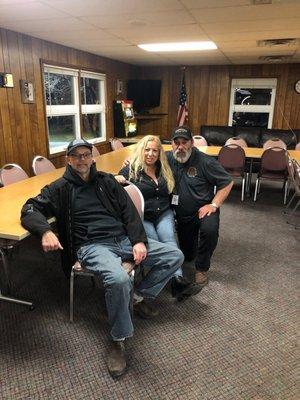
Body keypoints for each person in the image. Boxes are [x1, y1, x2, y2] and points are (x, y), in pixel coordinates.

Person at [20, 138, 183, 378]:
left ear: (92, 157)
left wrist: (138, 240)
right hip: (92, 246)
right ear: (68, 160)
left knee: (174, 256)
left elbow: (129, 213)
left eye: (86, 155)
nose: (82, 160)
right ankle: (118, 340)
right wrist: (44, 231)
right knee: (118, 279)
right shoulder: (59, 188)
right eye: (76, 156)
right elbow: (30, 208)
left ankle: (138, 297)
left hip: (122, 239)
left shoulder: (107, 181)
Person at [115, 135, 201, 301]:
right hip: (143, 216)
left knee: (169, 239)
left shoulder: (164, 166)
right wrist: (116, 177)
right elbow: (113, 184)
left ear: (160, 152)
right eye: (147, 149)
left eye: (155, 150)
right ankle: (173, 279)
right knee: (158, 244)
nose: (150, 154)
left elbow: (183, 155)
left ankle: (177, 280)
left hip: (164, 212)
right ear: (141, 150)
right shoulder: (130, 169)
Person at [166, 126, 233, 286]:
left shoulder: (205, 161)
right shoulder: (167, 158)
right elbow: (145, 161)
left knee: (209, 231)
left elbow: (227, 182)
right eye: (177, 143)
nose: (180, 147)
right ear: (172, 144)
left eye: (185, 142)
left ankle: (201, 269)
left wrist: (214, 205)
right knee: (188, 255)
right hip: (182, 214)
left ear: (192, 143)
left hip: (204, 209)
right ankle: (193, 250)